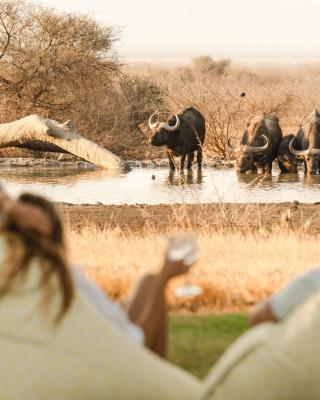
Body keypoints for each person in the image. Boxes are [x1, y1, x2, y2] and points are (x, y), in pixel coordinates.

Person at [0, 192, 193, 358]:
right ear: (52, 232)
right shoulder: (61, 278)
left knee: (147, 282)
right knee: (154, 284)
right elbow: (135, 347)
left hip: (108, 333)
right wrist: (165, 278)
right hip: (123, 355)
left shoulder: (28, 280)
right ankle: (156, 383)